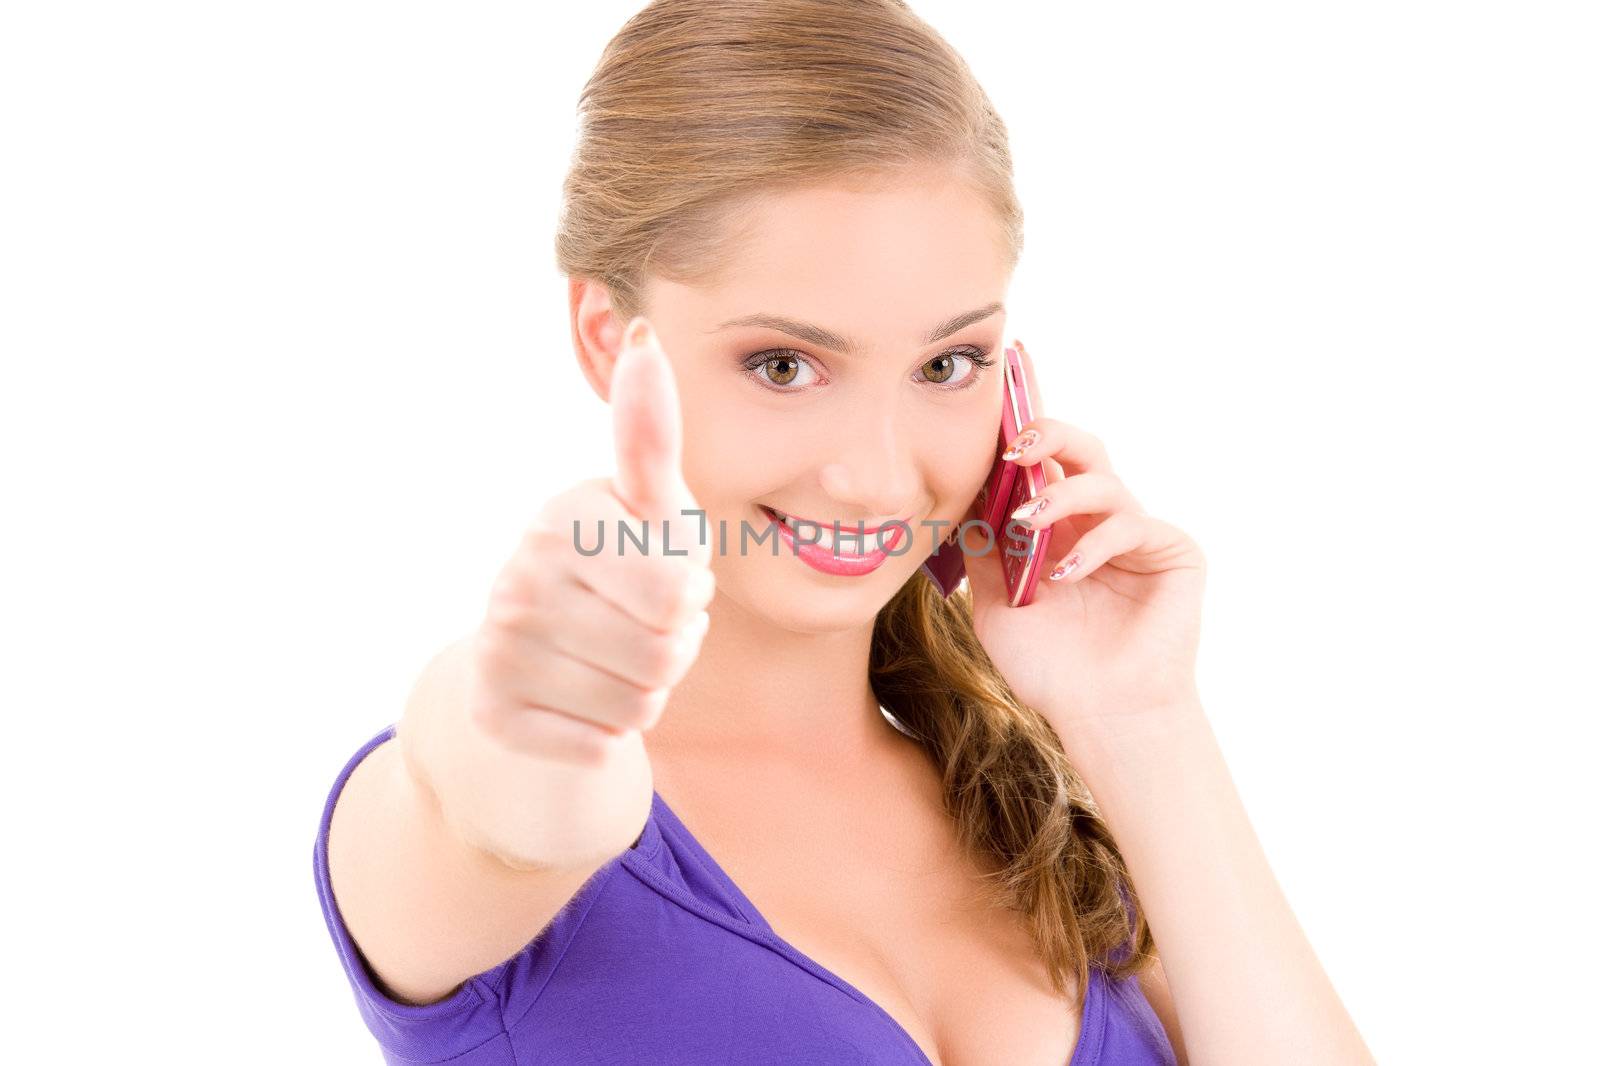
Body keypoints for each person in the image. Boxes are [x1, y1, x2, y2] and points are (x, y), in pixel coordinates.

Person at [313, 1, 1374, 1063]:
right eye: (784, 365)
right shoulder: (473, 803)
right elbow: (504, 795)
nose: (874, 477)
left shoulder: (1040, 818)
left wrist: (1141, 719)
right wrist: (540, 700)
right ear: (607, 339)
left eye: (945, 365)